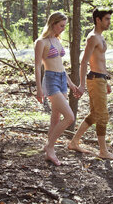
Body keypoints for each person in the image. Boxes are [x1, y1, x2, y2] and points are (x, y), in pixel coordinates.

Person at [68, 7, 113, 160]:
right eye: (107, 19)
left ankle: (74, 142)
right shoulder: (93, 37)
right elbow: (84, 62)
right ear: (98, 20)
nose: (109, 22)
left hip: (101, 79)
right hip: (95, 79)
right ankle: (103, 151)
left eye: (109, 19)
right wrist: (82, 85)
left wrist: (106, 80)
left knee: (95, 114)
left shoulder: (100, 37)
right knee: (102, 116)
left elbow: (101, 61)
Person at [34, 11, 77, 166]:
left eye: (65, 26)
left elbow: (61, 66)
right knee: (69, 117)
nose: (63, 29)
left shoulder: (57, 40)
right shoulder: (41, 42)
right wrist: (39, 89)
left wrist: (71, 84)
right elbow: (38, 67)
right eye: (61, 25)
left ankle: (48, 145)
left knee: (56, 118)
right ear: (53, 23)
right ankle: (50, 149)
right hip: (51, 80)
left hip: (61, 79)